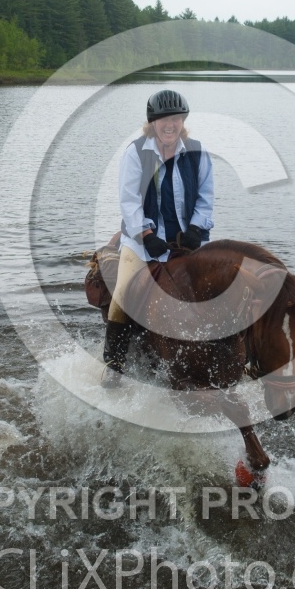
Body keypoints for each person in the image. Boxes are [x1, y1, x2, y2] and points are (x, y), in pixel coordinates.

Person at [102, 89, 214, 385]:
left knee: (214, 291)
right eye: (164, 119)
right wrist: (146, 234)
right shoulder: (136, 153)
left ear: (183, 121)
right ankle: (113, 363)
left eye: (176, 119)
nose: (170, 125)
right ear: (152, 123)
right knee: (123, 293)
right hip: (142, 243)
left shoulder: (198, 152)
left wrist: (196, 229)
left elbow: (206, 197)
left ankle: (228, 359)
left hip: (186, 242)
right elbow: (129, 201)